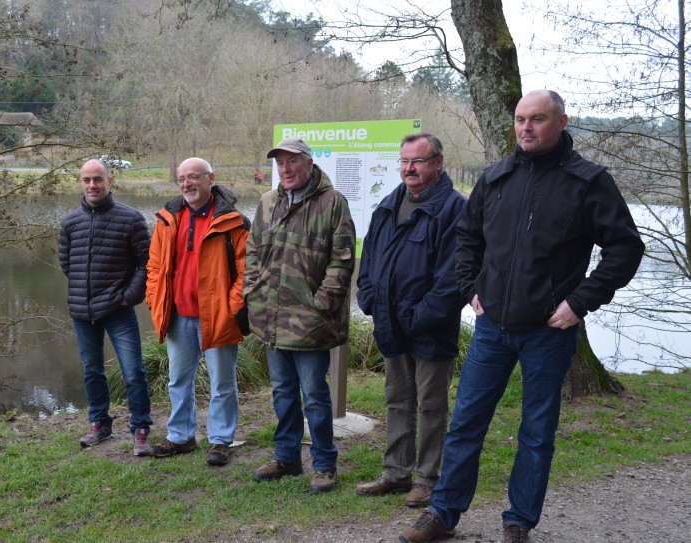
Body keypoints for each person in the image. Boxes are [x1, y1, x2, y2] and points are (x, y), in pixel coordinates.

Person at [399, 90, 645, 543]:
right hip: (493, 329)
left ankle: (518, 522)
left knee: (536, 431)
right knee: (467, 421)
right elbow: (467, 237)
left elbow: (626, 247)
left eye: (537, 119)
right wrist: (472, 288)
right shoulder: (497, 177)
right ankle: (443, 513)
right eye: (520, 119)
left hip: (549, 332)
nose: (526, 127)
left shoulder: (588, 182)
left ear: (562, 122)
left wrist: (580, 301)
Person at [355, 133, 466, 508]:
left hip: (430, 329)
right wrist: (368, 298)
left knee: (431, 405)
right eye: (404, 161)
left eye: (417, 161)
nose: (409, 168)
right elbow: (369, 258)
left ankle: (427, 479)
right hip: (390, 323)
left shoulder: (454, 209)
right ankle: (396, 472)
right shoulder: (389, 204)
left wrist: (417, 317)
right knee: (396, 400)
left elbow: (454, 279)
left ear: (437, 162)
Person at [244, 137, 356, 494]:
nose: (285, 169)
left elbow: (342, 260)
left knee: (315, 396)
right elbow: (251, 253)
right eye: (280, 163)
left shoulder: (332, 203)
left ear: (309, 163)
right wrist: (251, 292)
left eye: (292, 162)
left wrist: (321, 304)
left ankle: (324, 464)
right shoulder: (266, 203)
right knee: (282, 393)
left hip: (310, 322)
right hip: (271, 319)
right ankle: (287, 457)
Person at [145, 157, 250, 466]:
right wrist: (155, 298)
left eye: (194, 177)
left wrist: (232, 308)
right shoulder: (167, 219)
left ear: (210, 178)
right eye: (182, 179)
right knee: (178, 380)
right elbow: (154, 266)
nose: (187, 184)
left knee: (222, 383)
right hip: (179, 316)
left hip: (218, 316)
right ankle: (181, 436)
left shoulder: (234, 221)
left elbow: (247, 272)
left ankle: (219, 441)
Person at [59, 158, 154, 456]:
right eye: (86, 180)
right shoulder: (70, 221)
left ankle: (140, 428)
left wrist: (128, 295)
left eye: (97, 179)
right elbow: (67, 264)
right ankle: (100, 423)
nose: (92, 185)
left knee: (133, 372)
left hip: (118, 309)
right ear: (81, 182)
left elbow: (146, 263)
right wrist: (82, 292)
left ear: (110, 181)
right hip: (82, 311)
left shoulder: (131, 218)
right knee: (92, 370)